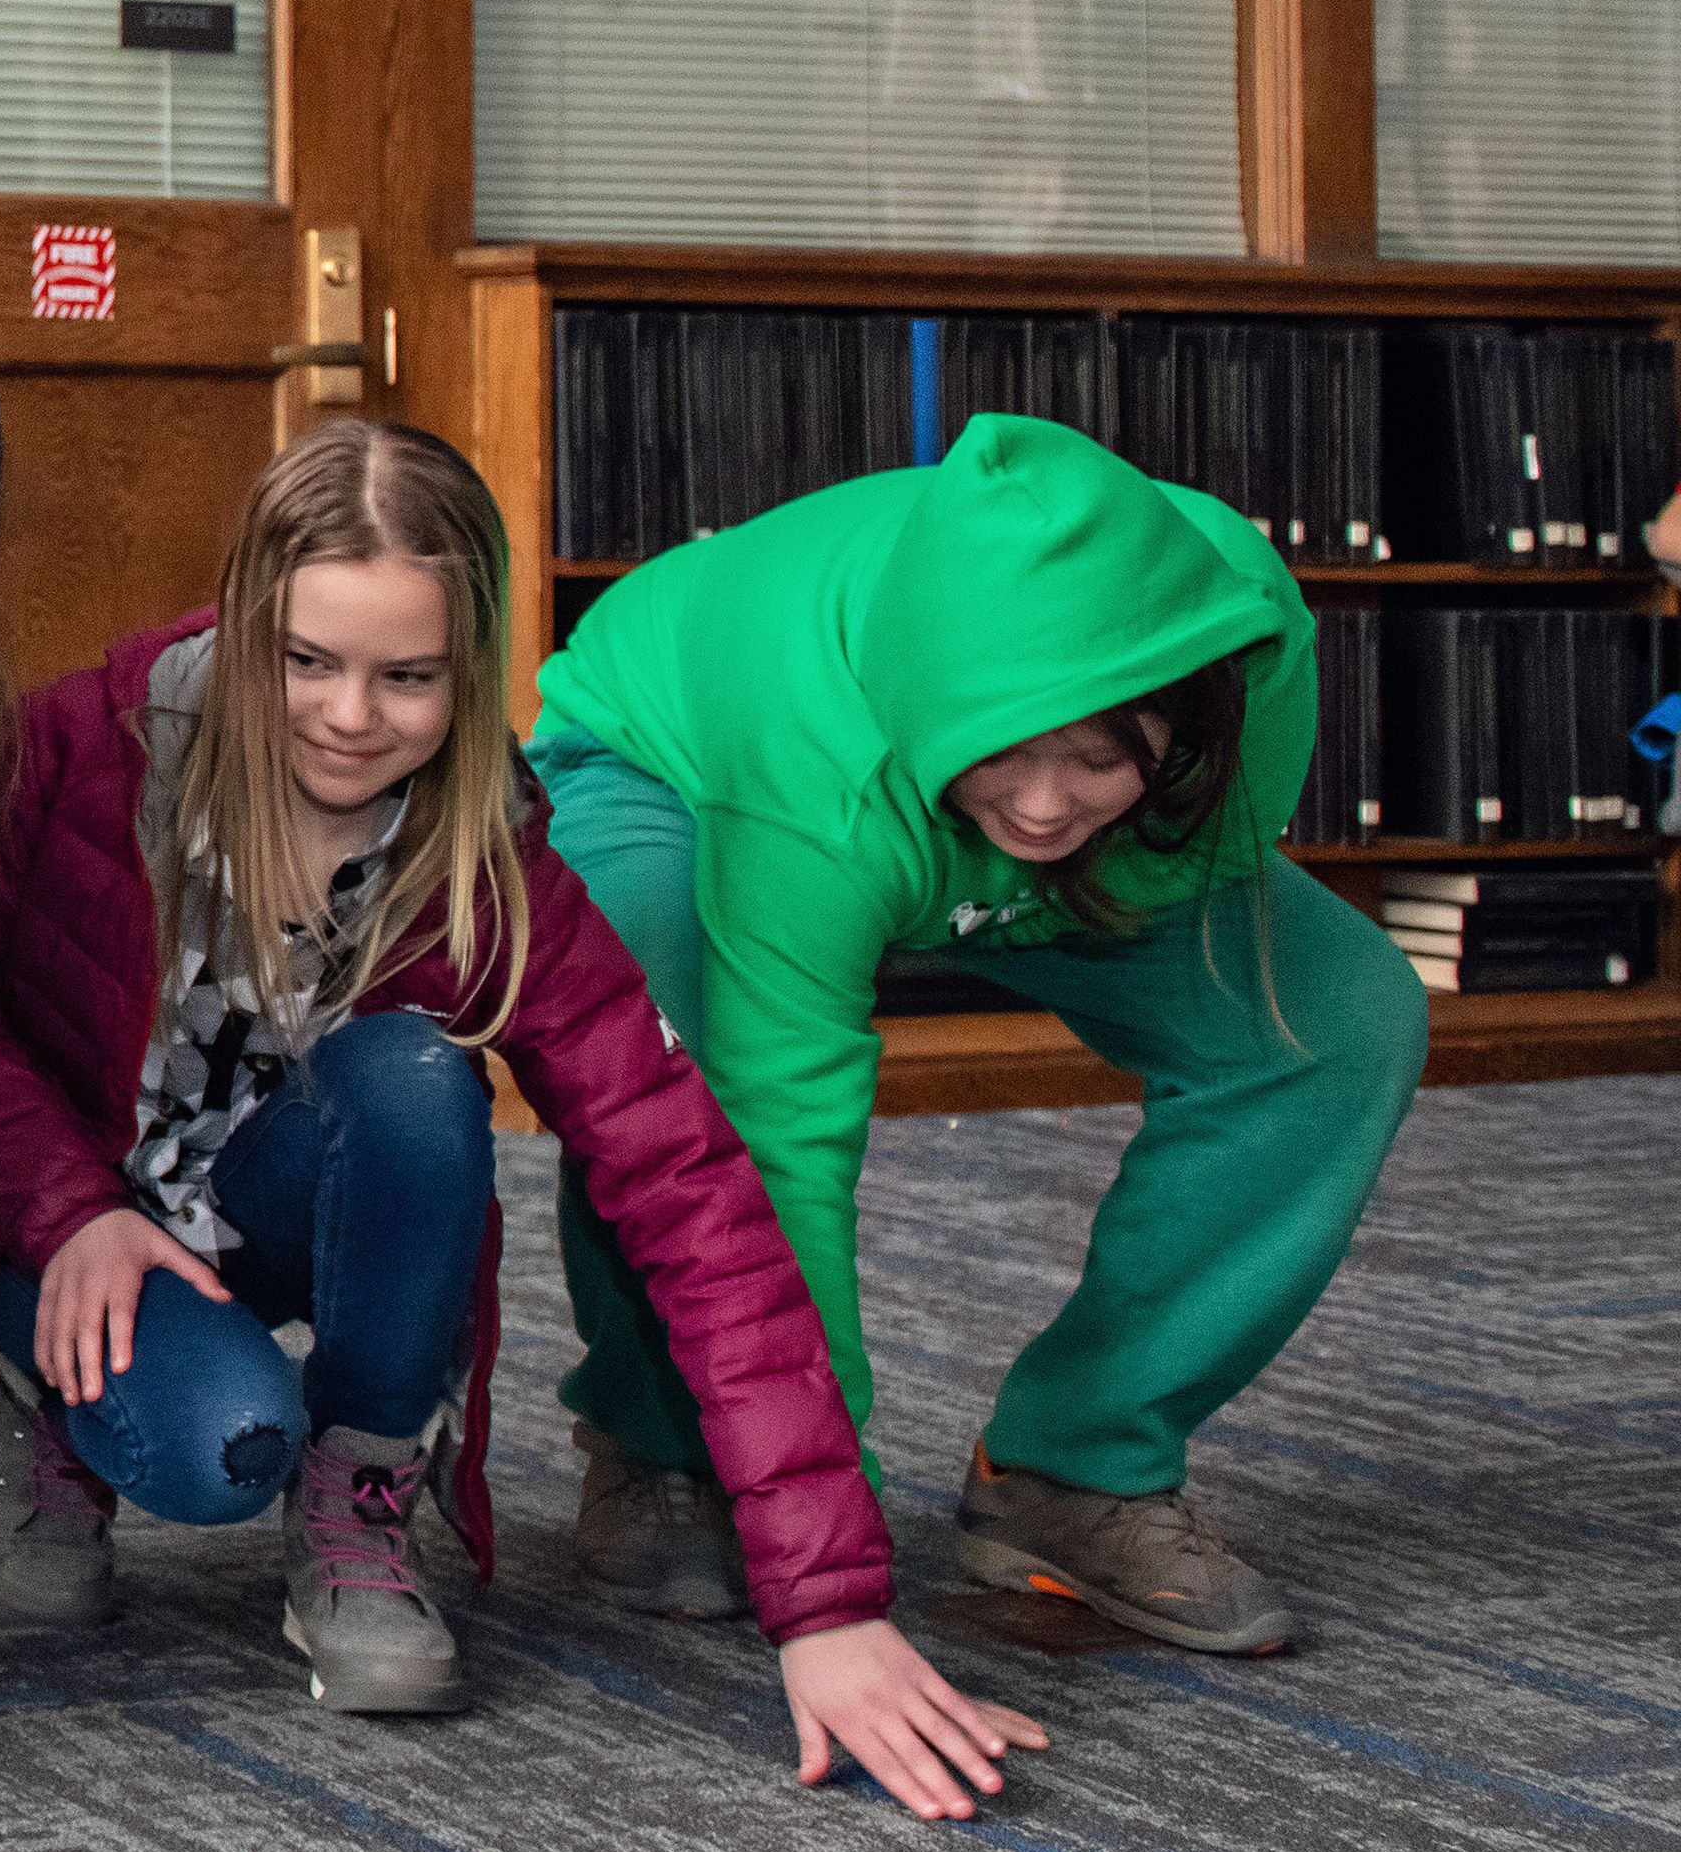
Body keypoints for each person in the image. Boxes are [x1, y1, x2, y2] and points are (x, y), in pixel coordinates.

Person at [0, 417, 1043, 1815]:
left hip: (268, 1195)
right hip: (71, 1199)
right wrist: (68, 1212)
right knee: (226, 1448)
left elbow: (691, 1192)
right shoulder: (83, 746)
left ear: (470, 669)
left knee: (416, 1077)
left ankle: (363, 1487)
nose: (352, 716)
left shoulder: (493, 854)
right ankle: (55, 1384)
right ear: (246, 619)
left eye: (409, 677)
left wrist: (827, 1604)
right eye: (307, 662)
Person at [526, 410, 1422, 1657]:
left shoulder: (1234, 637)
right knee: (666, 1042)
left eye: (1101, 755)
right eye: (1015, 751)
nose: (1050, 801)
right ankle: (666, 1440)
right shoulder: (815, 769)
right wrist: (821, 1531)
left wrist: (1017, 860)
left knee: (1336, 1017)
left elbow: (1113, 816)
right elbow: (788, 1150)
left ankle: (1074, 1468)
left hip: (934, 811)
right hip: (679, 758)